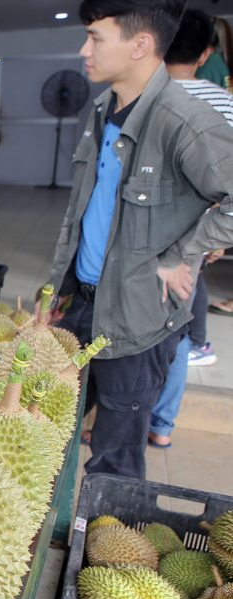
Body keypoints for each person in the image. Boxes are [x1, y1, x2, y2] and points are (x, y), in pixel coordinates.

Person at [50, 0, 233, 479]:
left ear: (141, 44)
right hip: (83, 305)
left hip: (138, 319)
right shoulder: (99, 109)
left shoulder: (184, 121)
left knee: (113, 457)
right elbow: (81, 212)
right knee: (44, 427)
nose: (83, 49)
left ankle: (103, 548)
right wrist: (55, 290)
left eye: (95, 37)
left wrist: (182, 254)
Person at [148, 8, 233, 449]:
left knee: (140, 324)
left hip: (146, 231)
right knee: (177, 326)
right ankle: (161, 425)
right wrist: (210, 237)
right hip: (196, 234)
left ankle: (127, 414)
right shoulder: (223, 101)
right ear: (203, 54)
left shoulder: (149, 99)